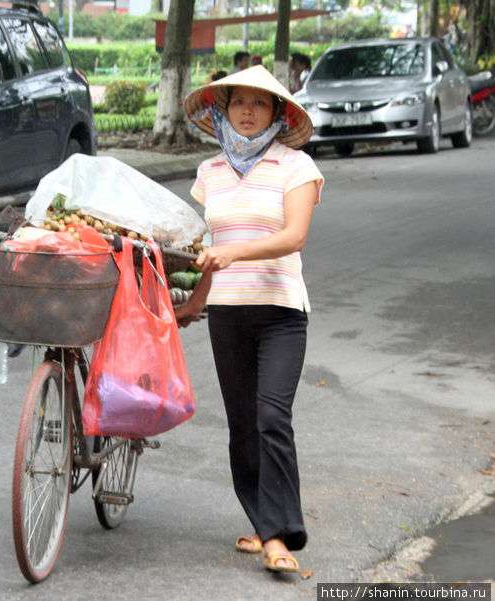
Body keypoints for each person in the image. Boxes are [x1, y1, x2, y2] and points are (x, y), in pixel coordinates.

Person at [177, 65, 324, 574]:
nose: (247, 111)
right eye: (238, 101)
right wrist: (195, 304)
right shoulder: (210, 173)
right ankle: (265, 525)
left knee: (271, 417)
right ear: (222, 109)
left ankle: (280, 537)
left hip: (283, 314)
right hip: (228, 317)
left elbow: (294, 236)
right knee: (243, 427)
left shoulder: (296, 166)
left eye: (259, 104)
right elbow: (210, 250)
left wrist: (233, 253)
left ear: (278, 114)